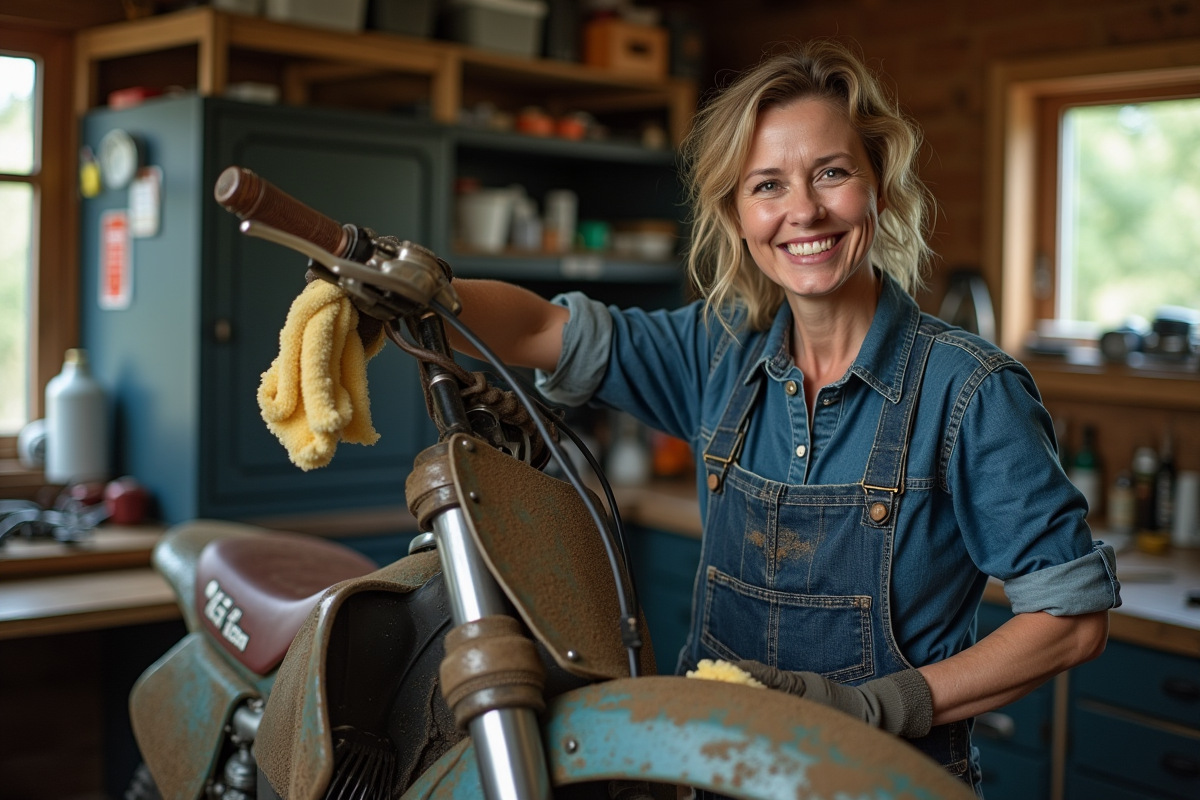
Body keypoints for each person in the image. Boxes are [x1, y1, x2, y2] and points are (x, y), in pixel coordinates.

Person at [445, 40, 1120, 793]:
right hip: (715, 775)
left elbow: (1070, 622)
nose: (803, 211)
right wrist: (414, 293)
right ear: (737, 213)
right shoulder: (717, 351)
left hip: (886, 781)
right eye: (768, 185)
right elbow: (541, 330)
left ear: (881, 190)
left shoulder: (969, 391)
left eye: (831, 173)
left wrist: (880, 706)